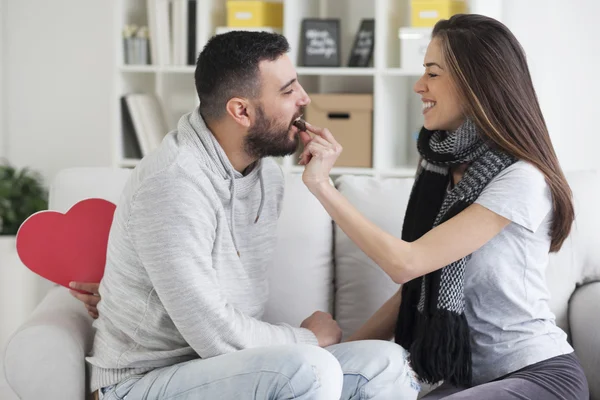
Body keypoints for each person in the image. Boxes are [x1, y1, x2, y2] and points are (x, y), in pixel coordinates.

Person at [76, 31, 420, 400]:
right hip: (139, 383)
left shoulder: (266, 175)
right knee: (308, 367)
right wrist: (307, 339)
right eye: (288, 91)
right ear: (240, 111)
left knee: (386, 362)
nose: (305, 99)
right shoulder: (173, 182)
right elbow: (215, 334)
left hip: (223, 368)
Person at [296, 14, 590, 400]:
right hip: (464, 383)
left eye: (432, 73)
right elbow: (416, 289)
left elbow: (407, 263)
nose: (419, 86)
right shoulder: (439, 168)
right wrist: (333, 365)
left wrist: (322, 186)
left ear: (475, 82)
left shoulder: (521, 179)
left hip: (538, 376)